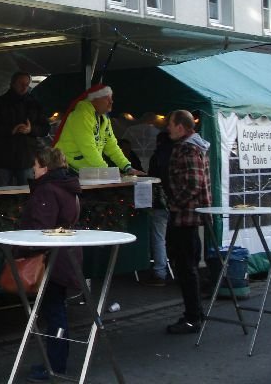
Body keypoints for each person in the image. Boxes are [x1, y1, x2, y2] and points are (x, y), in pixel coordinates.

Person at [17, 146, 81, 383]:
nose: (33, 170)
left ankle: (55, 364)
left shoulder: (47, 190)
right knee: (57, 310)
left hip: (51, 259)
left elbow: (39, 229)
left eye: (35, 165)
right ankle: (56, 361)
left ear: (45, 167)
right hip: (65, 256)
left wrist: (20, 250)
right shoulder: (67, 186)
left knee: (54, 312)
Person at [164, 109, 212, 334]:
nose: (168, 128)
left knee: (186, 268)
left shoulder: (188, 148)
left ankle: (193, 317)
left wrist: (175, 203)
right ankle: (196, 313)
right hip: (192, 216)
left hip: (185, 216)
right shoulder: (196, 146)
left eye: (170, 124)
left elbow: (194, 183)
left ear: (180, 127)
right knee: (189, 267)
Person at [54, 84, 143, 176]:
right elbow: (88, 148)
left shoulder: (104, 118)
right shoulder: (81, 115)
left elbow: (112, 146)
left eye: (111, 98)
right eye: (106, 98)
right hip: (67, 169)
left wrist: (127, 167)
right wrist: (106, 171)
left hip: (83, 171)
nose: (111, 101)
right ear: (94, 100)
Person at [0, 71, 50, 187]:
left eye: (27, 84)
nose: (24, 87)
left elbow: (45, 128)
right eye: (21, 84)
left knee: (26, 194)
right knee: (3, 195)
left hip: (26, 160)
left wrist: (31, 130)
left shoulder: (35, 105)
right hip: (4, 159)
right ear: (12, 83)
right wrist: (11, 130)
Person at [144, 131, 174, 286]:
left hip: (160, 201)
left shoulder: (157, 157)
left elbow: (152, 177)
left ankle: (160, 272)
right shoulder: (178, 153)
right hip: (177, 202)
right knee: (176, 237)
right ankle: (177, 269)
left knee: (158, 238)